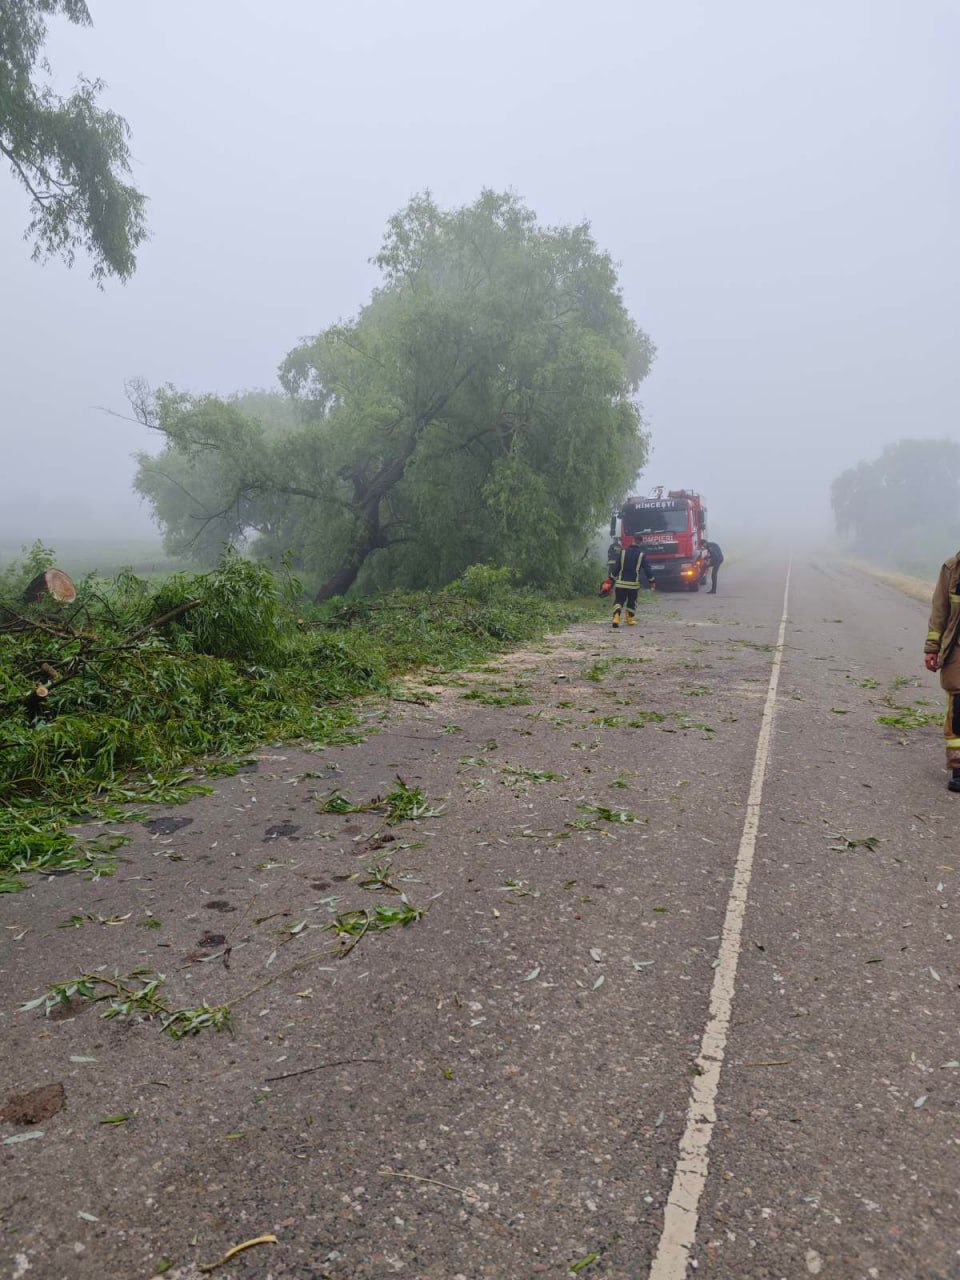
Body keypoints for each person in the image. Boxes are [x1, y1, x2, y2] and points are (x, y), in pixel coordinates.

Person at [923, 548, 960, 791]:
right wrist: (932, 648)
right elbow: (940, 611)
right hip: (957, 650)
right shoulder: (951, 568)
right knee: (959, 709)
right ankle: (958, 769)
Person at [607, 540, 655, 628]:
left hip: (621, 583)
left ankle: (616, 618)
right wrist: (652, 581)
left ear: (632, 541)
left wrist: (610, 578)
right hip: (633, 585)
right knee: (631, 602)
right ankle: (629, 619)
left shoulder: (623, 552)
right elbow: (647, 569)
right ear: (640, 543)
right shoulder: (641, 555)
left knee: (619, 601)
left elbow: (617, 567)